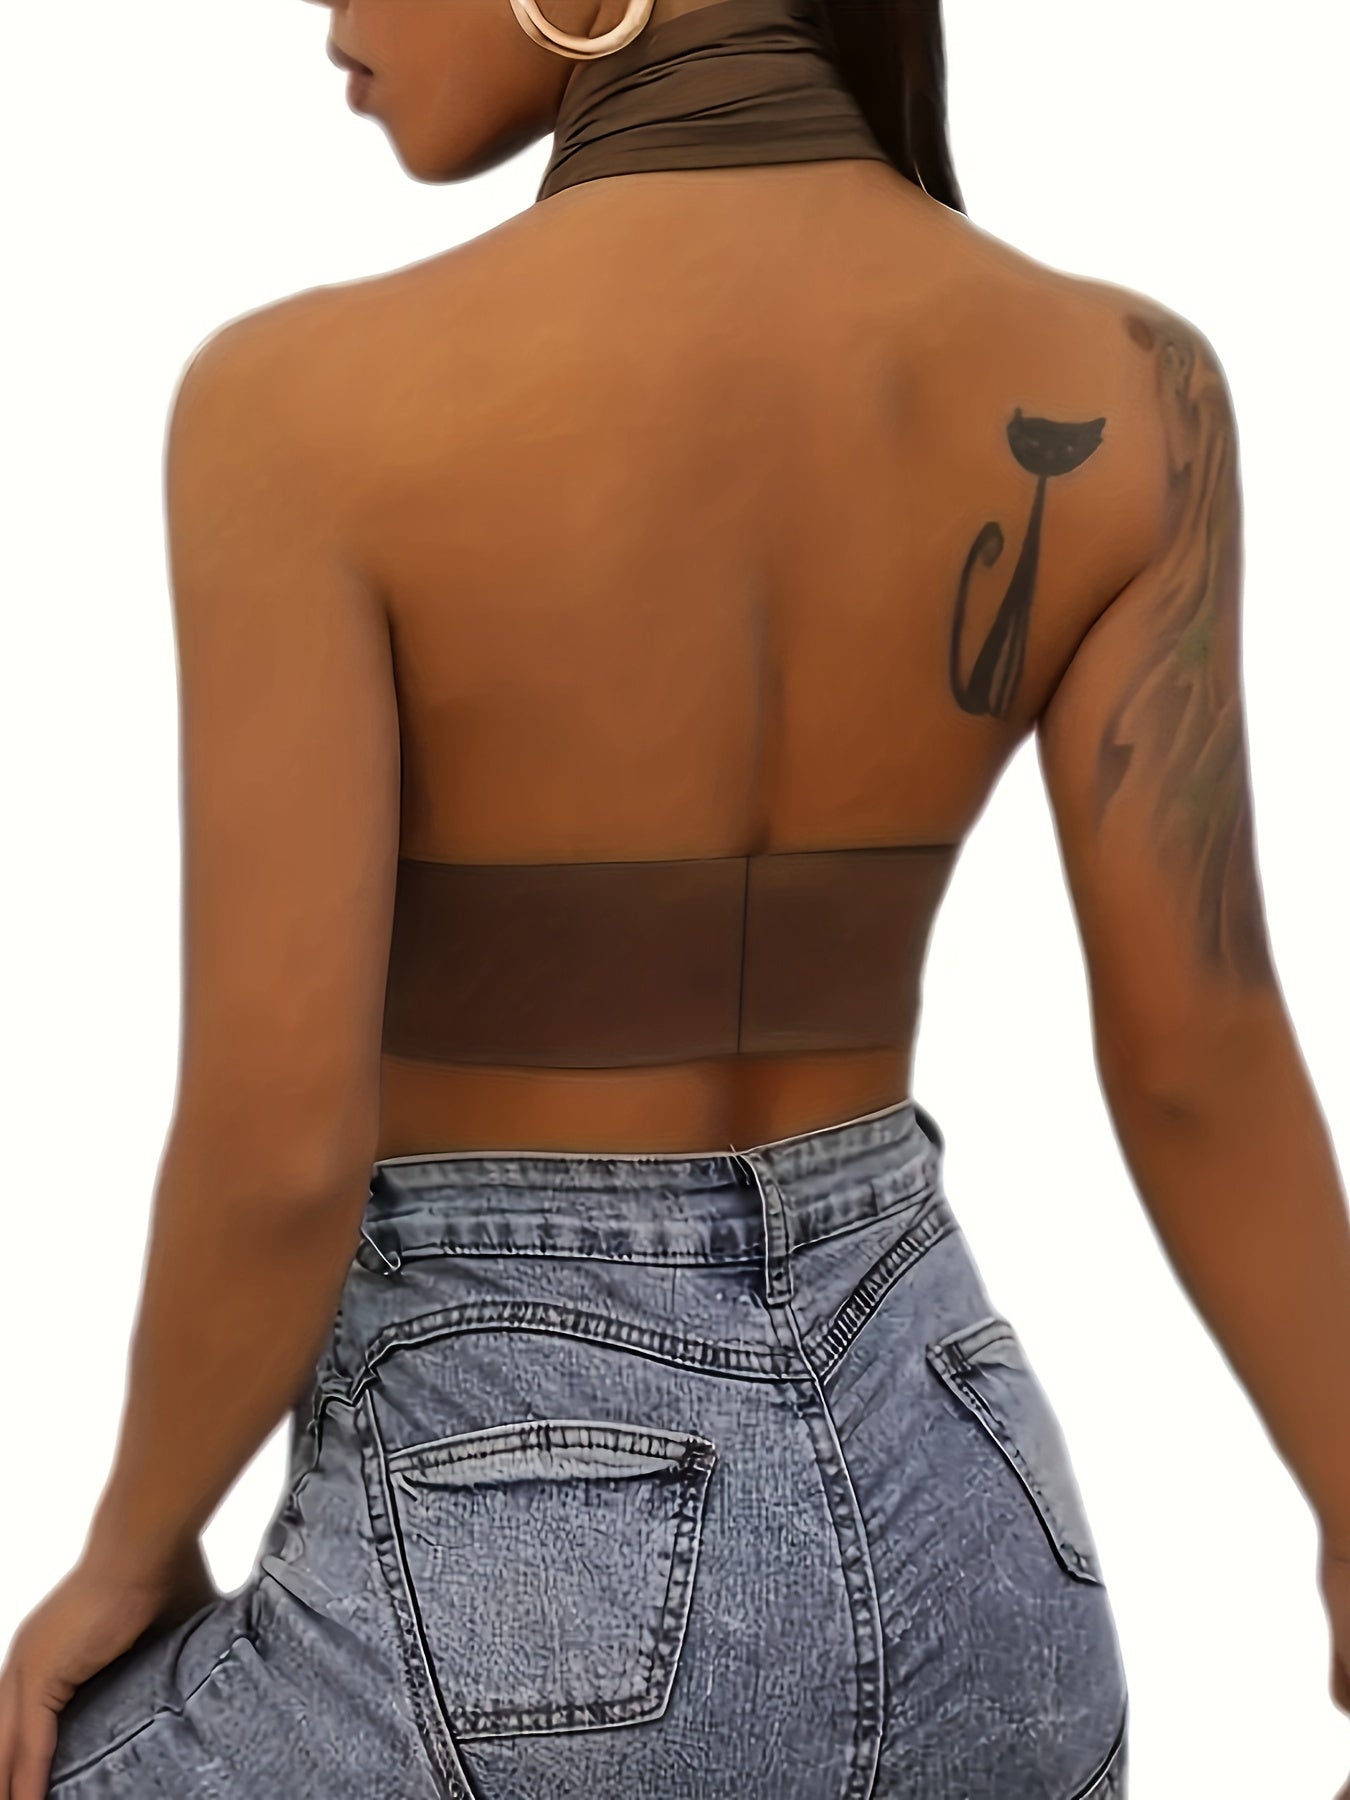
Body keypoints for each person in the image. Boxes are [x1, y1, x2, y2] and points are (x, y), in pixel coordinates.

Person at [1, 0, 1347, 1794]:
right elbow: (1199, 1051)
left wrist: (132, 1546)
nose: (332, 18)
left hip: (515, 1572)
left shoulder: (296, 403)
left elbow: (279, 1140)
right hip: (985, 1537)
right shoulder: (1135, 386)